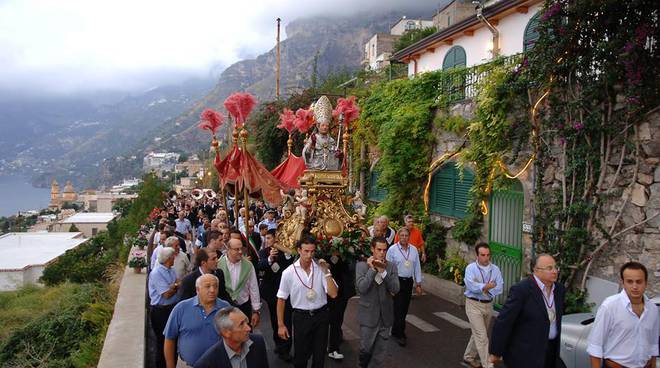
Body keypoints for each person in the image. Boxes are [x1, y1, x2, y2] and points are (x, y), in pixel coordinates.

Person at [489, 254, 566, 368]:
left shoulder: (559, 290)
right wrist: (496, 352)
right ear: (536, 270)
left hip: (550, 351)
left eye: (556, 267)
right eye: (550, 268)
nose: (555, 271)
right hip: (525, 354)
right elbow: (504, 322)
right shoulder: (522, 290)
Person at [276, 236, 338, 368]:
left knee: (319, 357)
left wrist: (326, 272)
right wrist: (281, 325)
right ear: (299, 250)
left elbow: (333, 293)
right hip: (301, 318)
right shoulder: (289, 272)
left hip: (321, 316)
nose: (309, 255)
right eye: (306, 251)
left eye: (312, 251)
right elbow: (281, 299)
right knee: (300, 357)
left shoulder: (321, 270)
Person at [587, 261, 659, 368]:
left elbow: (653, 344)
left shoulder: (653, 309)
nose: (634, 286)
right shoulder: (609, 306)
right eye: (630, 281)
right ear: (622, 282)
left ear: (646, 283)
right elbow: (595, 346)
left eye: (639, 282)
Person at [164, 274, 231, 367]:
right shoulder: (181, 308)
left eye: (215, 286)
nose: (212, 290)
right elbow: (169, 338)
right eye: (207, 286)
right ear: (197, 290)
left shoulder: (226, 308)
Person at [356, 237, 400, 368]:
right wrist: (372, 269)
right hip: (368, 316)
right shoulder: (361, 266)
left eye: (384, 250)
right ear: (372, 249)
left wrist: (383, 272)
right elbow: (361, 288)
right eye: (379, 249)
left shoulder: (391, 266)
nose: (382, 253)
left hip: (385, 317)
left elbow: (396, 289)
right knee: (365, 350)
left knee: (380, 354)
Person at [462, 242, 504, 368]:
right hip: (473, 305)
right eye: (483, 255)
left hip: (488, 305)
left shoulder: (495, 269)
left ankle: (468, 356)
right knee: (482, 336)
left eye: (488, 255)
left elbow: (500, 286)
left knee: (480, 333)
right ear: (477, 255)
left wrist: (485, 289)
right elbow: (471, 286)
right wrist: (486, 286)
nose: (486, 258)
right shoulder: (471, 268)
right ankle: (487, 365)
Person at [257, 230, 295, 361]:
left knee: (286, 320)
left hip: (285, 293)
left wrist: (286, 253)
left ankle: (286, 348)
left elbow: (291, 265)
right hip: (272, 293)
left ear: (276, 238)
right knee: (275, 320)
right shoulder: (264, 252)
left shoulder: (287, 252)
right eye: (266, 238)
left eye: (269, 238)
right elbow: (260, 266)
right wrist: (269, 259)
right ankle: (278, 343)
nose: (267, 240)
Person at [194, 307, 269, 368]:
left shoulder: (258, 342)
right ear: (226, 333)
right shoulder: (207, 363)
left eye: (246, 322)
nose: (248, 328)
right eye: (241, 324)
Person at [386, 227, 423, 347]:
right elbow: (387, 268)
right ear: (398, 236)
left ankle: (396, 330)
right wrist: (389, 285)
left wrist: (418, 283)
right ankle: (400, 334)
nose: (404, 237)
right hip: (396, 281)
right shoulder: (392, 250)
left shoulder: (414, 250)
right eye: (401, 235)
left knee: (405, 308)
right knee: (398, 308)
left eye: (406, 235)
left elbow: (417, 267)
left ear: (409, 237)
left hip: (408, 282)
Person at [148, 247, 181, 368]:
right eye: (173, 257)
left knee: (173, 340)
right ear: (169, 258)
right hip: (160, 311)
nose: (174, 259)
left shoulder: (171, 270)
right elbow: (166, 294)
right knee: (162, 341)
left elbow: (178, 283)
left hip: (171, 309)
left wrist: (174, 286)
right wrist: (174, 286)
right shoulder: (156, 273)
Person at [218, 238, 261, 327]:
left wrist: (256, 311)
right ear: (228, 249)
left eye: (241, 248)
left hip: (243, 307)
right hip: (224, 308)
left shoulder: (248, 265)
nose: (240, 251)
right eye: (237, 249)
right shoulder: (219, 264)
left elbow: (254, 288)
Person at [302, 95, 340, 171]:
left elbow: (335, 154)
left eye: (327, 125)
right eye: (323, 125)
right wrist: (312, 145)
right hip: (316, 165)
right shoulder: (314, 138)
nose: (325, 127)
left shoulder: (331, 140)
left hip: (330, 167)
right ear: (318, 126)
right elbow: (306, 153)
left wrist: (338, 154)